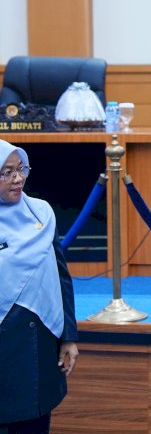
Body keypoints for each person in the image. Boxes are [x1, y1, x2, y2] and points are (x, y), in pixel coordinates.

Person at [0, 140, 78, 434]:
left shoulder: (41, 214)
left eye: (21, 169)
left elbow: (60, 277)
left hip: (38, 347)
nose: (18, 178)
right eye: (5, 172)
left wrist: (69, 336)